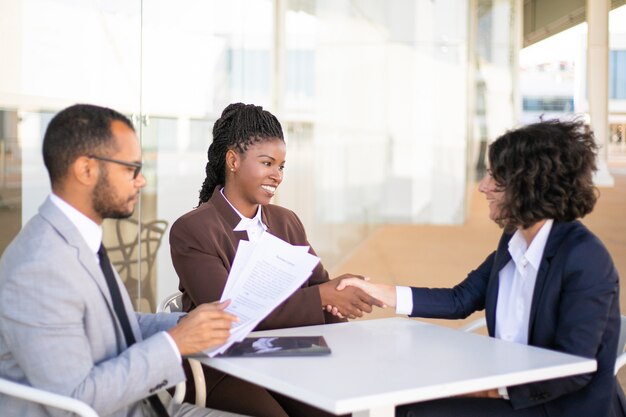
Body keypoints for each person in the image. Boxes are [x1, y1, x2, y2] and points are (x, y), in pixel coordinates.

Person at [335, 119, 626, 417]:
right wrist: (377, 292)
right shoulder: (514, 240)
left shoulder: (584, 259)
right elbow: (460, 299)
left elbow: (574, 369)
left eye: (493, 177)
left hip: (563, 408)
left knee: (420, 414)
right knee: (407, 405)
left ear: (528, 184)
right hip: (515, 396)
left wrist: (493, 388)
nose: (482, 187)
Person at [0, 104, 245, 417]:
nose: (141, 181)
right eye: (132, 169)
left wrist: (190, 325)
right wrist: (175, 344)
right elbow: (78, 398)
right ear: (86, 170)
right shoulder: (38, 268)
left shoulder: (76, 238)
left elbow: (116, 323)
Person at [170, 103, 381, 417]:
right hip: (221, 364)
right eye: (267, 163)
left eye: (282, 166)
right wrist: (322, 295)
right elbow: (230, 314)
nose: (277, 175)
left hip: (287, 353)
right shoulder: (193, 229)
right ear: (233, 160)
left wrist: (341, 299)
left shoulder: (286, 221)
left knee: (335, 409)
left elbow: (320, 288)